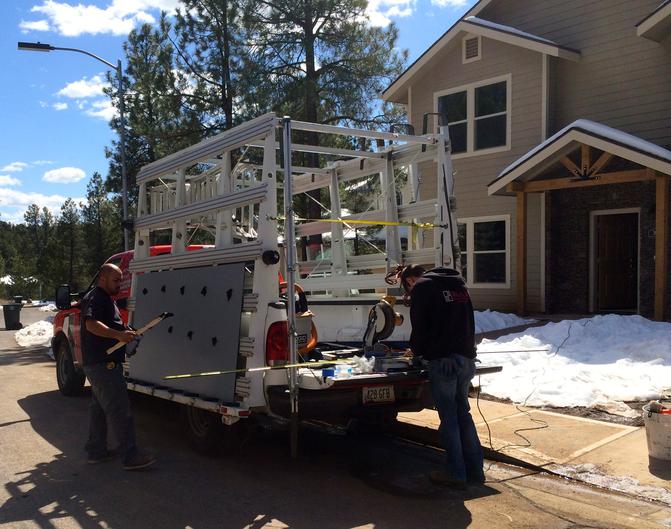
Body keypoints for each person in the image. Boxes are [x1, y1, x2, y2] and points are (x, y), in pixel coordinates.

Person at [399, 264, 484, 489]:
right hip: (466, 358)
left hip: (443, 361)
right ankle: (475, 470)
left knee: (449, 418)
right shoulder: (459, 285)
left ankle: (456, 472)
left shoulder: (422, 287)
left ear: (412, 279)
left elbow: (420, 326)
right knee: (463, 413)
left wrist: (416, 352)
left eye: (408, 284)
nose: (410, 288)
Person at [81, 263, 156, 470]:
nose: (119, 284)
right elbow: (91, 324)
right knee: (120, 410)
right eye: (116, 280)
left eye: (121, 279)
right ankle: (130, 456)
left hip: (100, 364)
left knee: (99, 409)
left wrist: (126, 332)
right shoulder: (95, 297)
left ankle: (96, 451)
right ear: (102, 278)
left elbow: (110, 325)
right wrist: (118, 335)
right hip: (103, 365)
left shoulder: (106, 299)